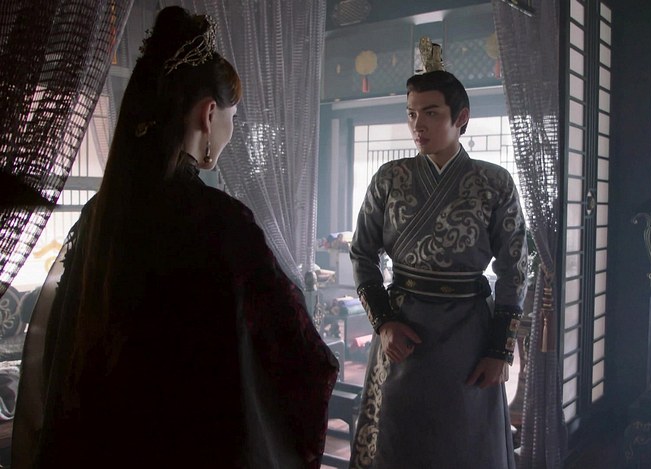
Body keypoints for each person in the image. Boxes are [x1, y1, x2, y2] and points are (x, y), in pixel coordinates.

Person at [12, 6, 337, 468]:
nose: (229, 130)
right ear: (209, 113)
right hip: (190, 444)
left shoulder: (99, 215)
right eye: (232, 117)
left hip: (99, 442)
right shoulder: (222, 223)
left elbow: (62, 344)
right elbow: (293, 349)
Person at [349, 68, 528, 469]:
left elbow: (515, 269)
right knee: (397, 439)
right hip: (402, 326)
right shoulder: (389, 178)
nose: (418, 125)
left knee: (465, 441)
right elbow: (362, 253)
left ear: (461, 117)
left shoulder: (495, 182)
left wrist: (499, 349)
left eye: (431, 113)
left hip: (468, 332)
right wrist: (384, 322)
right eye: (412, 114)